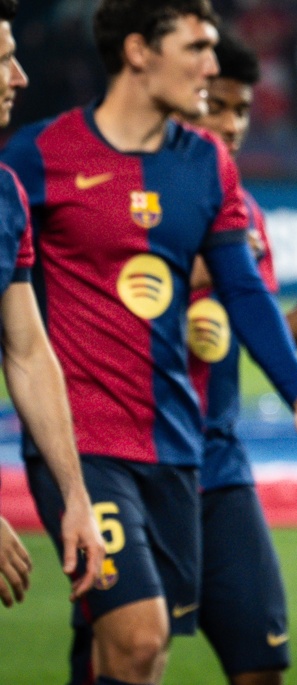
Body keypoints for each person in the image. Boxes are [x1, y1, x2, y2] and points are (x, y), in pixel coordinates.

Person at [0, 2, 297, 684]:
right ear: (138, 52)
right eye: (196, 47)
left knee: (141, 655)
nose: (212, 66)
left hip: (177, 446)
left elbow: (243, 288)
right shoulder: (35, 159)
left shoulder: (206, 163)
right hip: (83, 443)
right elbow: (22, 337)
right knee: (138, 634)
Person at [185, 32, 297, 685]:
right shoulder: (130, 204)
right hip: (135, 460)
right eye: (216, 106)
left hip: (217, 461)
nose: (232, 125)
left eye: (240, 110)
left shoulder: (244, 215)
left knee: (261, 664)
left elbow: (270, 338)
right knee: (127, 653)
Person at [0, 0, 105, 611]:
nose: (20, 78)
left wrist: (75, 496)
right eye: (4, 61)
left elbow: (28, 353)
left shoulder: (6, 195)